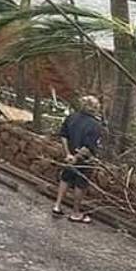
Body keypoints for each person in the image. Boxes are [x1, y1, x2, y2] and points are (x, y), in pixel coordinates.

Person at [52, 95, 104, 223]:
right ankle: (75, 213)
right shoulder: (96, 125)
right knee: (80, 184)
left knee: (65, 178)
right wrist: (76, 158)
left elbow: (63, 136)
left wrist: (68, 154)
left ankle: (57, 206)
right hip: (84, 160)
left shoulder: (71, 117)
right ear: (94, 108)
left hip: (70, 155)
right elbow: (88, 146)